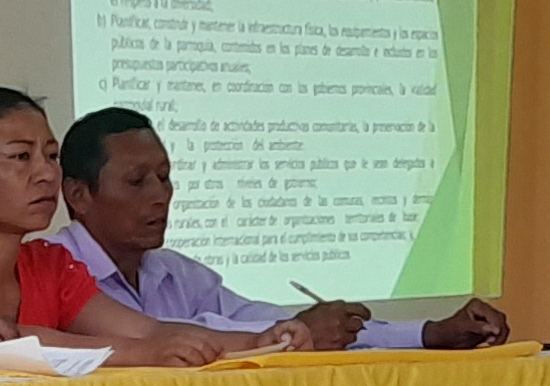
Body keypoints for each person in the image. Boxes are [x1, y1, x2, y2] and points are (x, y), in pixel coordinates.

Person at [51, 107, 510, 351]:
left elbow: (256, 318)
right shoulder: (50, 270)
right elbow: (159, 336)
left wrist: (427, 334)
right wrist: (294, 335)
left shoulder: (176, 273)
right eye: (137, 182)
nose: (160, 195)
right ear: (78, 195)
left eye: (165, 177)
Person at [0, 90, 239, 367]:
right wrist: (143, 353)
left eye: (51, 156)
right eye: (21, 157)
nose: (48, 174)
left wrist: (257, 341)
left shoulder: (50, 263)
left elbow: (147, 330)